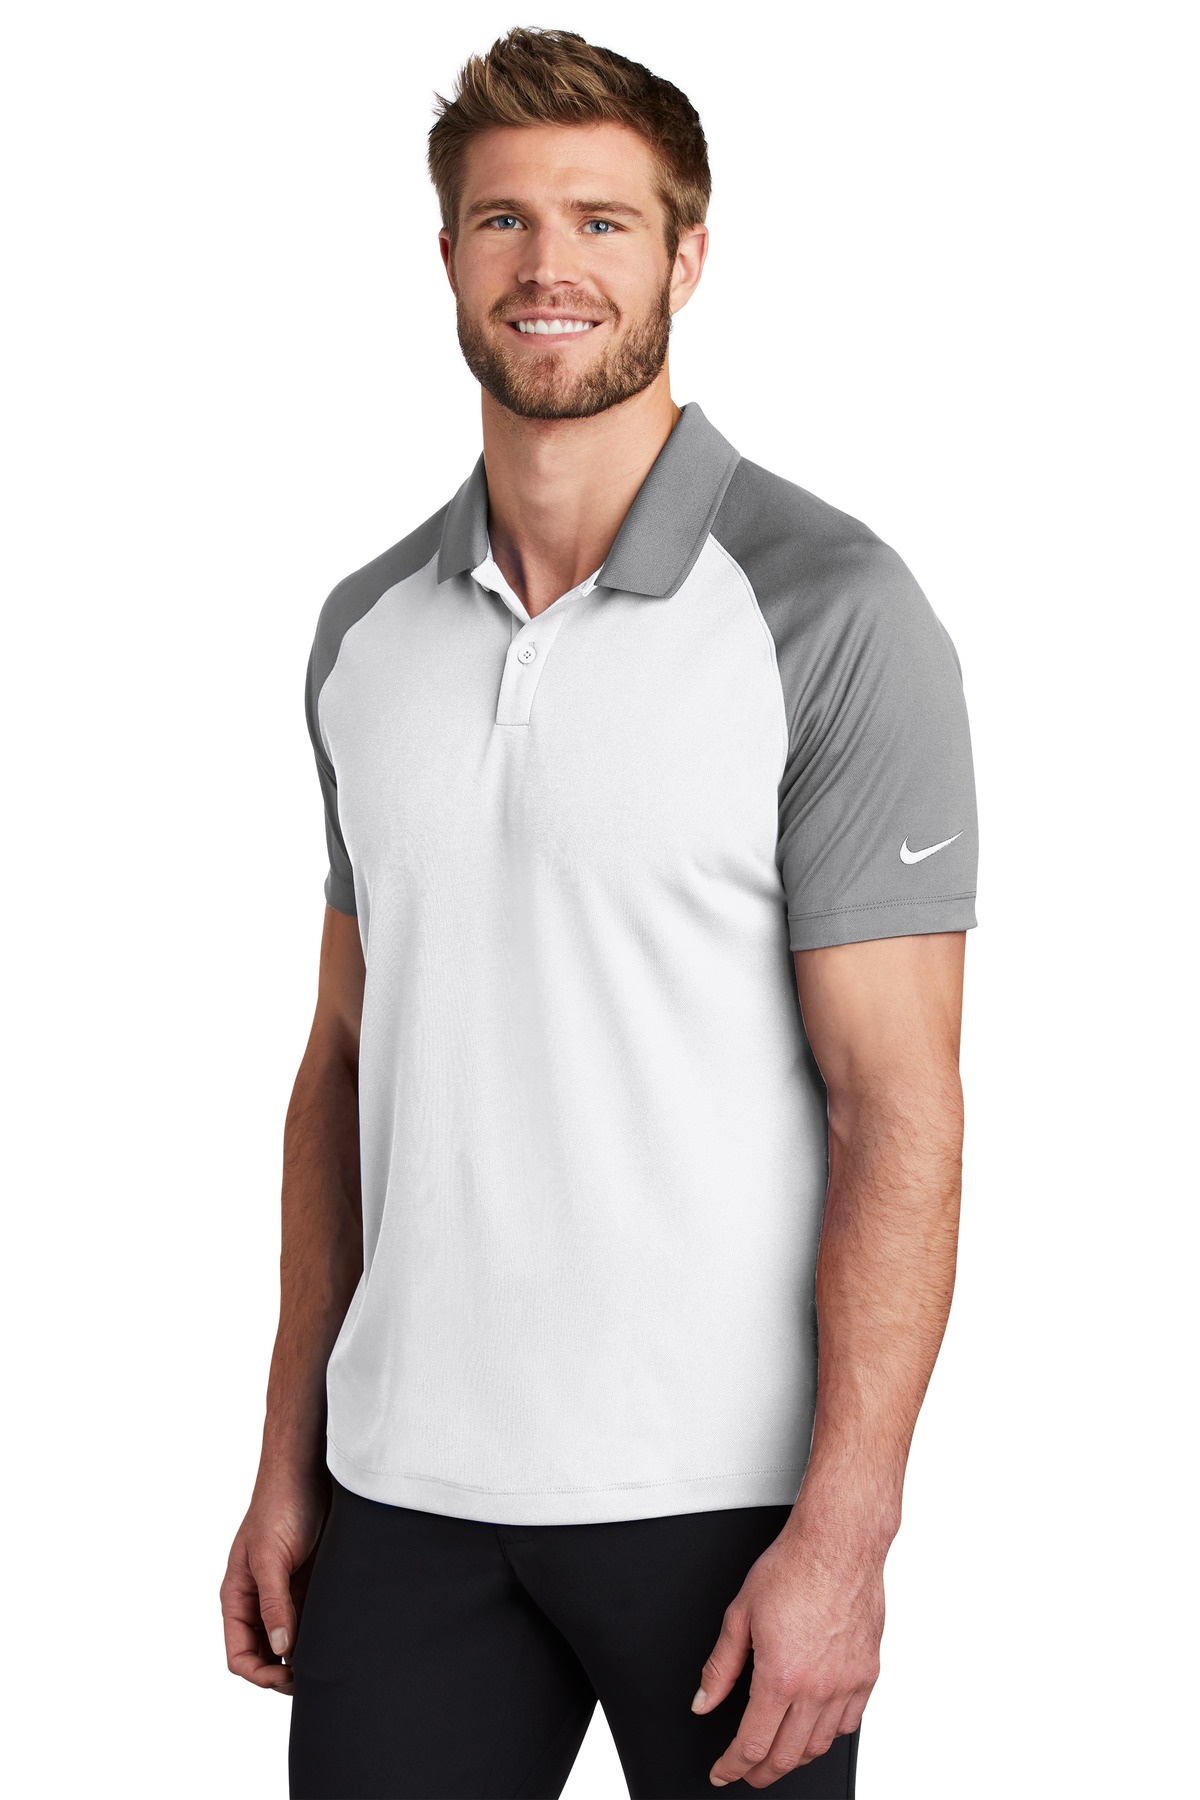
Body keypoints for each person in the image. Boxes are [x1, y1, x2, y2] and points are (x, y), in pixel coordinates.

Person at [220, 26, 979, 1799]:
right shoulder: (364, 634)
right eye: (504, 220)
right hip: (404, 1494)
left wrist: (849, 1532)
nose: (548, 265)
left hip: (721, 1512)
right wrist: (288, 1450)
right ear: (447, 256)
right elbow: (343, 1059)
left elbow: (901, 1108)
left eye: (603, 221)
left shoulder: (831, 610)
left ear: (686, 258)